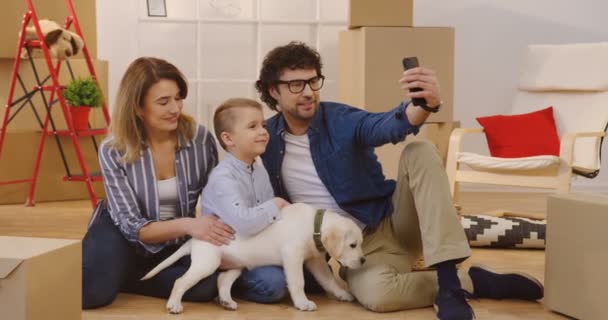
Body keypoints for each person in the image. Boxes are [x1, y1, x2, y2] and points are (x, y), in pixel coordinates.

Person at [254, 41, 544, 320]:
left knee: (420, 151)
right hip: (356, 247)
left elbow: (388, 125)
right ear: (273, 91)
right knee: (379, 296)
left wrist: (424, 104)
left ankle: (448, 283)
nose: (308, 92)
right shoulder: (264, 139)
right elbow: (239, 183)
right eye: (296, 85)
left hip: (388, 222)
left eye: (313, 81)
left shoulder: (341, 119)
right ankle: (473, 282)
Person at [81, 57, 235, 309]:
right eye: (163, 102)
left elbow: (216, 198)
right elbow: (133, 227)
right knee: (91, 295)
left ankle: (127, 275)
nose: (175, 108)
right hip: (122, 232)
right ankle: (118, 268)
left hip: (173, 238)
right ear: (138, 107)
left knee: (204, 286)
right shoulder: (112, 149)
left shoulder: (200, 139)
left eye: (178, 98)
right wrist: (189, 224)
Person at [200, 97, 323, 303]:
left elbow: (271, 223)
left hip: (258, 247)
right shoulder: (223, 178)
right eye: (252, 126)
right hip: (232, 253)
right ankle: (230, 284)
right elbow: (245, 224)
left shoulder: (259, 172)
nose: (263, 131)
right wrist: (276, 204)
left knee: (312, 280)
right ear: (229, 139)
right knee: (273, 285)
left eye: (263, 125)